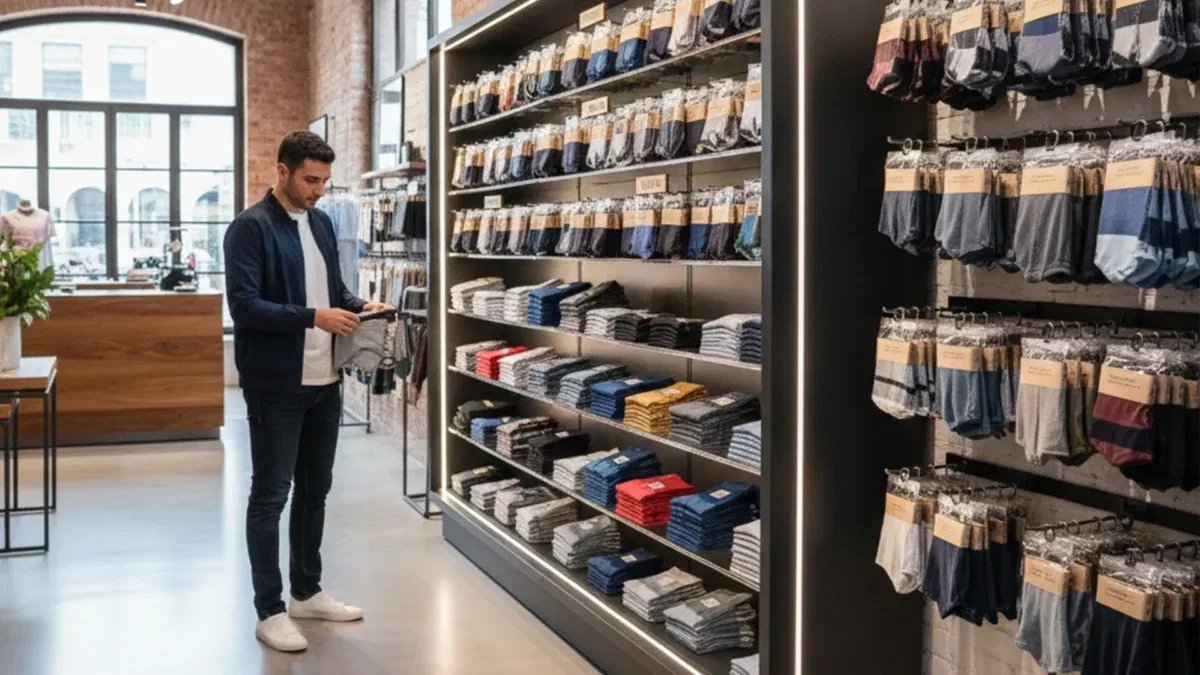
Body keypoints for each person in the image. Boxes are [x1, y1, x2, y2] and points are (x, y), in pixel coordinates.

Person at [224, 131, 388, 652]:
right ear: (283, 171)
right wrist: (312, 317)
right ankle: (269, 609)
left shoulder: (319, 223)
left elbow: (333, 293)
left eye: (323, 181)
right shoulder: (248, 229)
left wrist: (361, 307)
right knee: (270, 495)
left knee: (315, 492)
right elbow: (245, 307)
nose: (318, 191)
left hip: (327, 380)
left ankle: (306, 590)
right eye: (309, 180)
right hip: (276, 384)